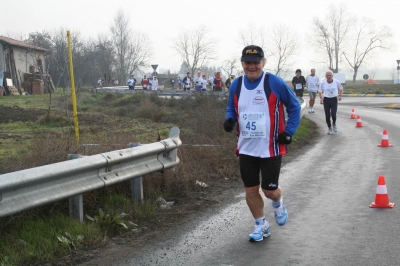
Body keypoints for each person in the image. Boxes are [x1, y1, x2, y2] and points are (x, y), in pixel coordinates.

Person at [224, 45, 301, 242]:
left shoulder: (274, 82)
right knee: (250, 190)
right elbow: (231, 108)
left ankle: (278, 203)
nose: (252, 66)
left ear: (263, 63)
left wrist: (289, 132)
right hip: (246, 147)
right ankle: (261, 225)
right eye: (248, 63)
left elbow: (294, 107)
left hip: (271, 147)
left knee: (269, 191)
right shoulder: (236, 84)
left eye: (256, 62)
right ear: (242, 64)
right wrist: (230, 120)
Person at [319, 70, 343, 135]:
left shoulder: (336, 82)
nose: (329, 77)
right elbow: (320, 91)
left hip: (334, 99)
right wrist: (321, 99)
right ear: (325, 76)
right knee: (327, 116)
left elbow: (341, 88)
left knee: (333, 114)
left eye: (330, 75)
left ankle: (334, 123)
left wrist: (340, 96)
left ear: (332, 76)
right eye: (327, 75)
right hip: (326, 100)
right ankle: (329, 128)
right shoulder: (323, 83)